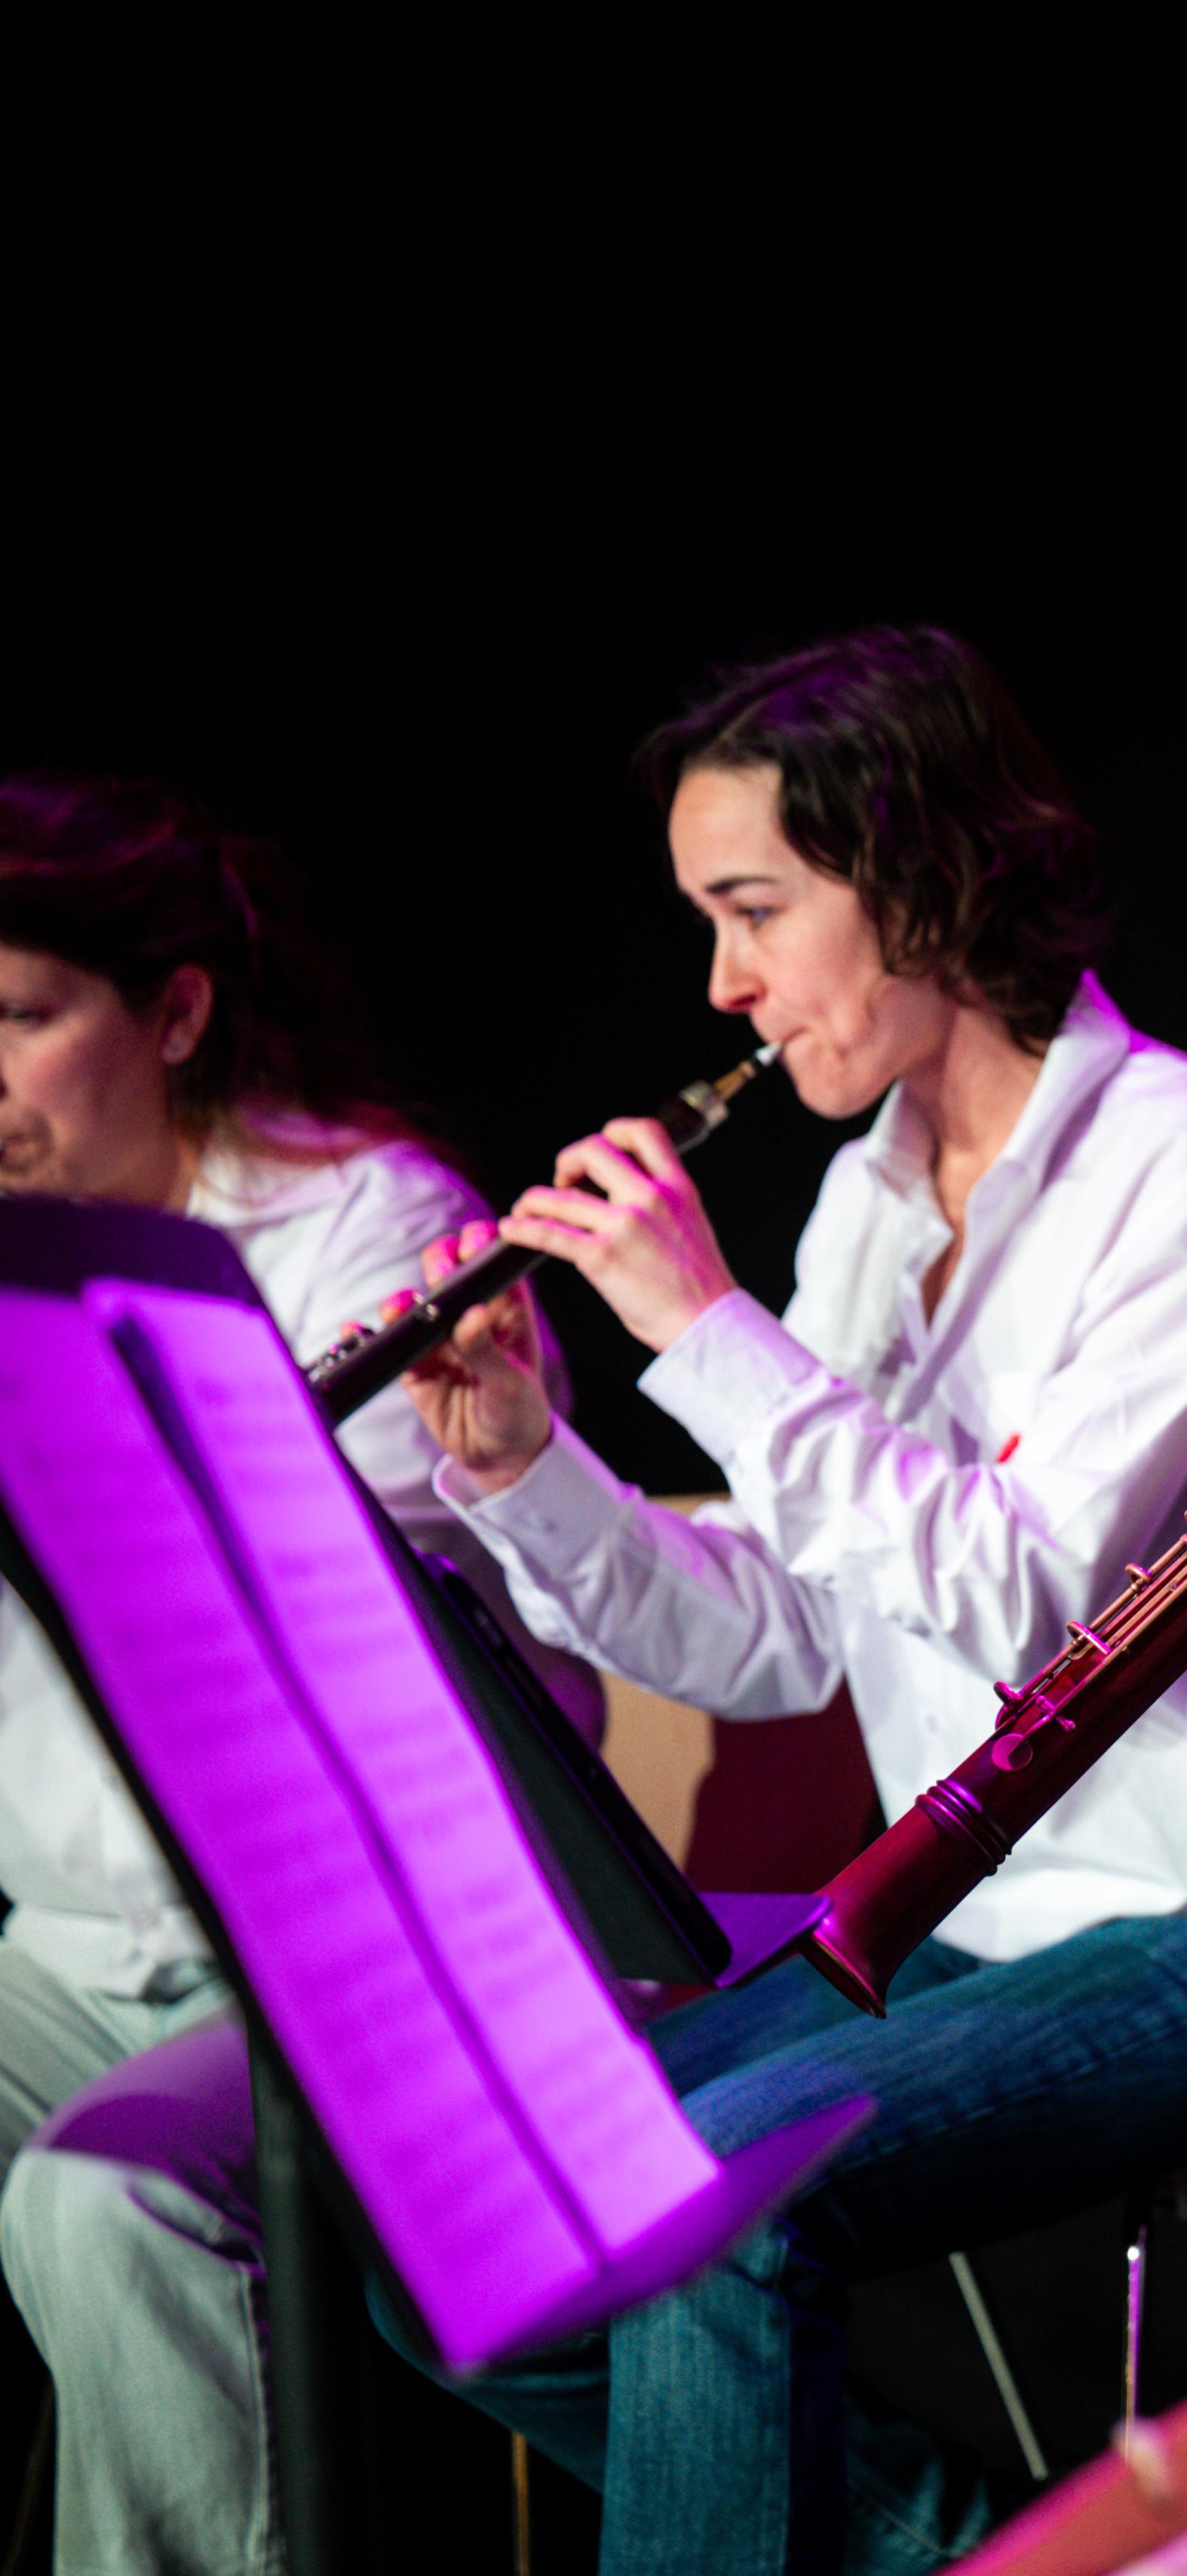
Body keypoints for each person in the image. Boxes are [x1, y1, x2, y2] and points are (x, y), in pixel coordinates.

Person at [357, 626, 1187, 2575]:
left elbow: (1035, 1613)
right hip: (968, 1927)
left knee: (716, 2199)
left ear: (921, 874)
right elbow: (780, 1637)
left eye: (755, 908)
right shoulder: (871, 1197)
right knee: (455, 2213)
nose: (724, 983)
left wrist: (704, 1326)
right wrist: (523, 1461)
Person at [0, 772, 598, 2576]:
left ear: (176, 1012)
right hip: (74, 1954)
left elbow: (342, 1650)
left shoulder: (370, 1230)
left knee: (105, 2202)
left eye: (19, 1017)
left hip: (358, 1967)